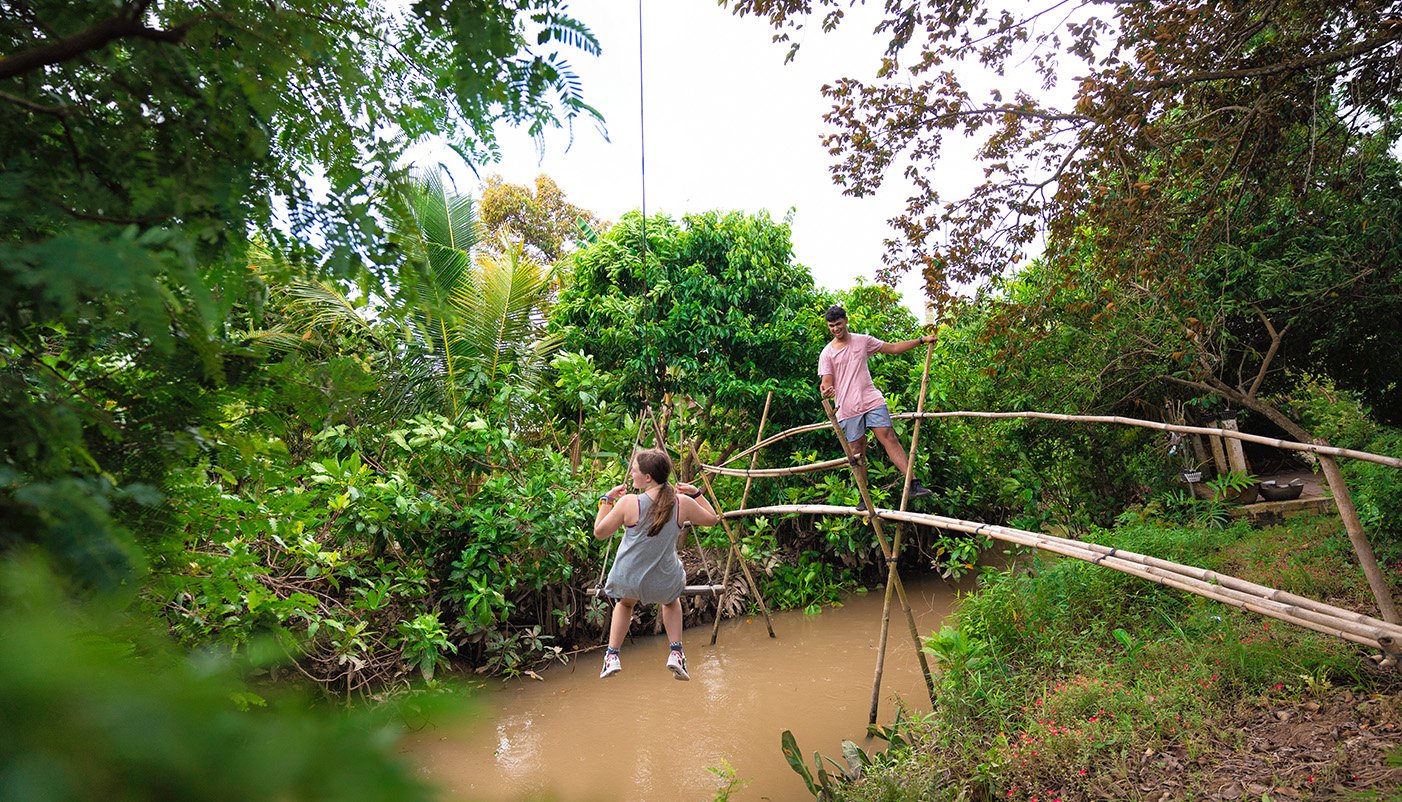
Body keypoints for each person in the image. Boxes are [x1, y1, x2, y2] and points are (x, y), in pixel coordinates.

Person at [594, 448, 720, 680]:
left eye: (634, 470)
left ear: (648, 477)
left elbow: (599, 532)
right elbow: (713, 519)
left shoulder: (628, 503)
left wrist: (608, 499)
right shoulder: (682, 503)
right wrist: (696, 493)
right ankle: (676, 652)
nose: (631, 473)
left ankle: (612, 655)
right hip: (663, 582)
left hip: (627, 580)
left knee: (624, 604)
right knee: (671, 602)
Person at [818, 304, 935, 507]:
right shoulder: (827, 353)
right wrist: (826, 391)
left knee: (888, 436)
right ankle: (865, 498)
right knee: (857, 451)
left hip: (871, 400)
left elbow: (893, 348)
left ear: (846, 321)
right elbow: (826, 383)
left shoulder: (863, 341)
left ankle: (913, 483)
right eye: (831, 326)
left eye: (838, 324)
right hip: (847, 407)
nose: (836, 329)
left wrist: (921, 340)